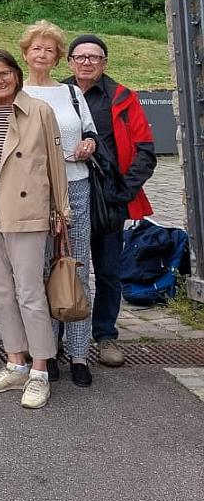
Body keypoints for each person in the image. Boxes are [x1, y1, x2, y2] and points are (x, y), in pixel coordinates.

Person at [0, 49, 71, 409]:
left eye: (5, 73)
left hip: (24, 206)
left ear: (16, 74)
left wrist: (60, 210)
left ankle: (40, 370)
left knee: (29, 291)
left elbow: (56, 164)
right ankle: (15, 362)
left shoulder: (39, 111)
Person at [65, 33, 157, 369]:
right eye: (81, 56)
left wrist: (122, 192)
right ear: (70, 61)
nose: (87, 62)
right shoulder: (59, 95)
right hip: (67, 196)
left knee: (107, 271)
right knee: (65, 268)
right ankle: (64, 333)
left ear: (104, 62)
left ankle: (105, 336)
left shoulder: (122, 97)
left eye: (94, 57)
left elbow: (145, 153)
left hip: (108, 199)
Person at [21, 21, 99, 387]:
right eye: (36, 48)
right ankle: (46, 351)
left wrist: (88, 144)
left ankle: (79, 353)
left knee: (74, 267)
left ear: (57, 58)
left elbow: (89, 132)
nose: (41, 55)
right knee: (39, 273)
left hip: (75, 187)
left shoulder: (71, 93)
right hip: (34, 192)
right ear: (25, 54)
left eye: (48, 50)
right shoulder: (17, 93)